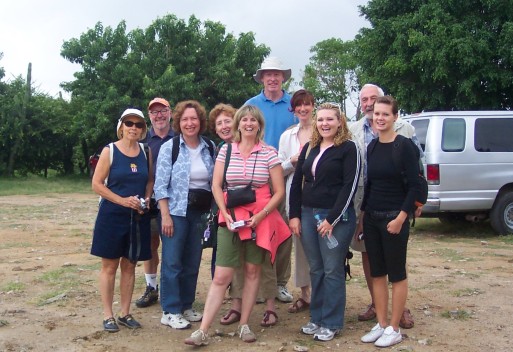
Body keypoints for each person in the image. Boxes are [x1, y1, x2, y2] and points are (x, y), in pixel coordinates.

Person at [184, 105, 291, 346]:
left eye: (253, 120)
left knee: (253, 271)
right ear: (238, 124)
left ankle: (244, 325)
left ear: (259, 125)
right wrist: (225, 213)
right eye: (245, 120)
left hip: (258, 219)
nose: (249, 124)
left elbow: (279, 191)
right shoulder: (226, 151)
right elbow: (216, 185)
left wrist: (262, 215)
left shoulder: (269, 153)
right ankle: (202, 331)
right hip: (230, 219)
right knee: (222, 275)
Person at [289, 103, 360, 342]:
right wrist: (294, 215)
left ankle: (331, 322)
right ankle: (316, 318)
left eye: (330, 119)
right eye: (321, 120)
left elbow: (349, 187)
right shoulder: (310, 147)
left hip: (335, 217)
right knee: (316, 269)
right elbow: (298, 181)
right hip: (308, 214)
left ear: (340, 122)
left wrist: (332, 219)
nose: (325, 124)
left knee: (332, 269)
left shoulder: (349, 148)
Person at [350, 83, 416, 329]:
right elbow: (368, 182)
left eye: (384, 113)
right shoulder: (369, 143)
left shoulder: (405, 141)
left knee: (397, 270)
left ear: (394, 116)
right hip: (370, 214)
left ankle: (396, 323)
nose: (378, 116)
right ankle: (380, 319)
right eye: (375, 112)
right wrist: (361, 218)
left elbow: (415, 183)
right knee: (375, 269)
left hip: (395, 214)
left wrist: (403, 216)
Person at [243, 56, 297, 325]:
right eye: (268, 74)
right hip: (254, 177)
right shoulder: (251, 105)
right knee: (253, 233)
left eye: (277, 74)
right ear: (262, 78)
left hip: (284, 176)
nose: (273, 78)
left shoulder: (292, 105)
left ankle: (280, 283)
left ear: (283, 78)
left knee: (282, 232)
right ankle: (251, 285)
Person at [154, 100, 216, 330]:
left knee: (192, 261)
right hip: (175, 211)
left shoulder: (209, 147)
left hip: (200, 213)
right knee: (172, 261)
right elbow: (160, 185)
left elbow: (215, 181)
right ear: (179, 122)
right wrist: (166, 215)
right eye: (185, 119)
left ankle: (186, 305)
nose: (190, 123)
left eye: (194, 119)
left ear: (200, 121)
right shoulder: (170, 148)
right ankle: (170, 310)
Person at [91, 108, 154, 332]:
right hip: (111, 216)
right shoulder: (110, 151)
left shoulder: (146, 151)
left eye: (139, 124)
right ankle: (108, 315)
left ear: (144, 129)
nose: (133, 128)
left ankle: (125, 313)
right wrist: (122, 201)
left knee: (130, 265)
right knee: (109, 267)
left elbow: (149, 181)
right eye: (129, 123)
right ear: (121, 126)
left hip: (137, 217)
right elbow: (97, 184)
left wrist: (145, 200)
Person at [135, 97, 174, 308]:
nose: (159, 115)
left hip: (174, 201)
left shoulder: (180, 138)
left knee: (172, 246)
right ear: (149, 116)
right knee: (150, 245)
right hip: (149, 201)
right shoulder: (142, 143)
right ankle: (151, 287)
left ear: (170, 112)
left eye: (163, 111)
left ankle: (172, 289)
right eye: (154, 112)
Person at [278, 89, 315, 313]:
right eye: (298, 105)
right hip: (295, 195)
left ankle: (323, 293)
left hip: (320, 196)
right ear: (293, 109)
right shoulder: (287, 136)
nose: (303, 109)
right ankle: (305, 293)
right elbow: (279, 169)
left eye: (307, 104)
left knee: (321, 246)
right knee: (300, 246)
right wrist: (293, 161)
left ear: (313, 106)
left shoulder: (323, 130)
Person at [207, 103, 237, 278]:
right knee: (221, 247)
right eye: (219, 124)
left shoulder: (248, 144)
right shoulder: (218, 148)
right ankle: (221, 283)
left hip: (246, 205)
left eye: (228, 121)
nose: (224, 126)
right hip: (222, 205)